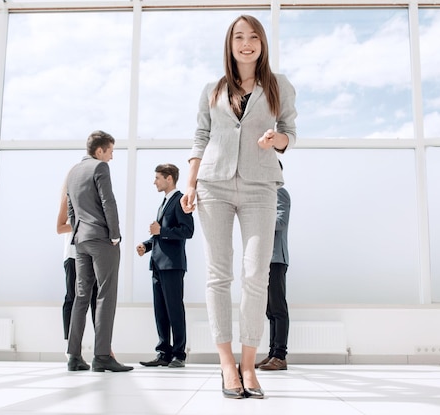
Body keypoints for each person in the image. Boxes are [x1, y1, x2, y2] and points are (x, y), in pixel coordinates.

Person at [180, 15, 297, 399]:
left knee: (255, 274)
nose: (246, 43)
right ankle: (227, 364)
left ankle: (250, 364)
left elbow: (289, 134)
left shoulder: (279, 86)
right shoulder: (212, 89)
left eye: (253, 37)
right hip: (213, 183)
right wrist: (190, 184)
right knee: (218, 275)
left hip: (261, 185)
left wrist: (275, 138)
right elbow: (201, 135)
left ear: (262, 43)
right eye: (238, 37)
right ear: (230, 45)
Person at [65, 130, 132, 373]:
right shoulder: (100, 168)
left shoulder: (73, 172)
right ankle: (102, 355)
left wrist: (77, 232)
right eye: (111, 151)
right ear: (100, 150)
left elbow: (71, 209)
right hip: (102, 239)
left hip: (80, 240)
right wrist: (115, 234)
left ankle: (73, 356)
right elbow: (108, 201)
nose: (112, 157)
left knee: (81, 297)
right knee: (106, 295)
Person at [137, 164, 194, 369]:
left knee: (174, 310)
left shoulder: (180, 200)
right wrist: (147, 245)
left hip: (172, 265)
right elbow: (160, 234)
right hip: (158, 265)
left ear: (169, 178)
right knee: (160, 311)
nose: (155, 182)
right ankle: (164, 353)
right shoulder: (163, 203)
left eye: (158, 178)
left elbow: (188, 231)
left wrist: (162, 230)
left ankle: (179, 354)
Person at [255, 161, 290, 371]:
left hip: (276, 258)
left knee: (278, 308)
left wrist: (259, 219)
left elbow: (281, 222)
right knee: (269, 309)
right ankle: (272, 354)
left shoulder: (281, 192)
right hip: (265, 259)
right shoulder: (264, 196)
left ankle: (280, 356)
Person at [56, 183, 98, 341]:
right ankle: (70, 346)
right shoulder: (68, 197)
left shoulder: (96, 200)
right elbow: (59, 228)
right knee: (72, 297)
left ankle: (103, 348)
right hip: (73, 255)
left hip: (93, 254)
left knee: (97, 300)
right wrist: (82, 224)